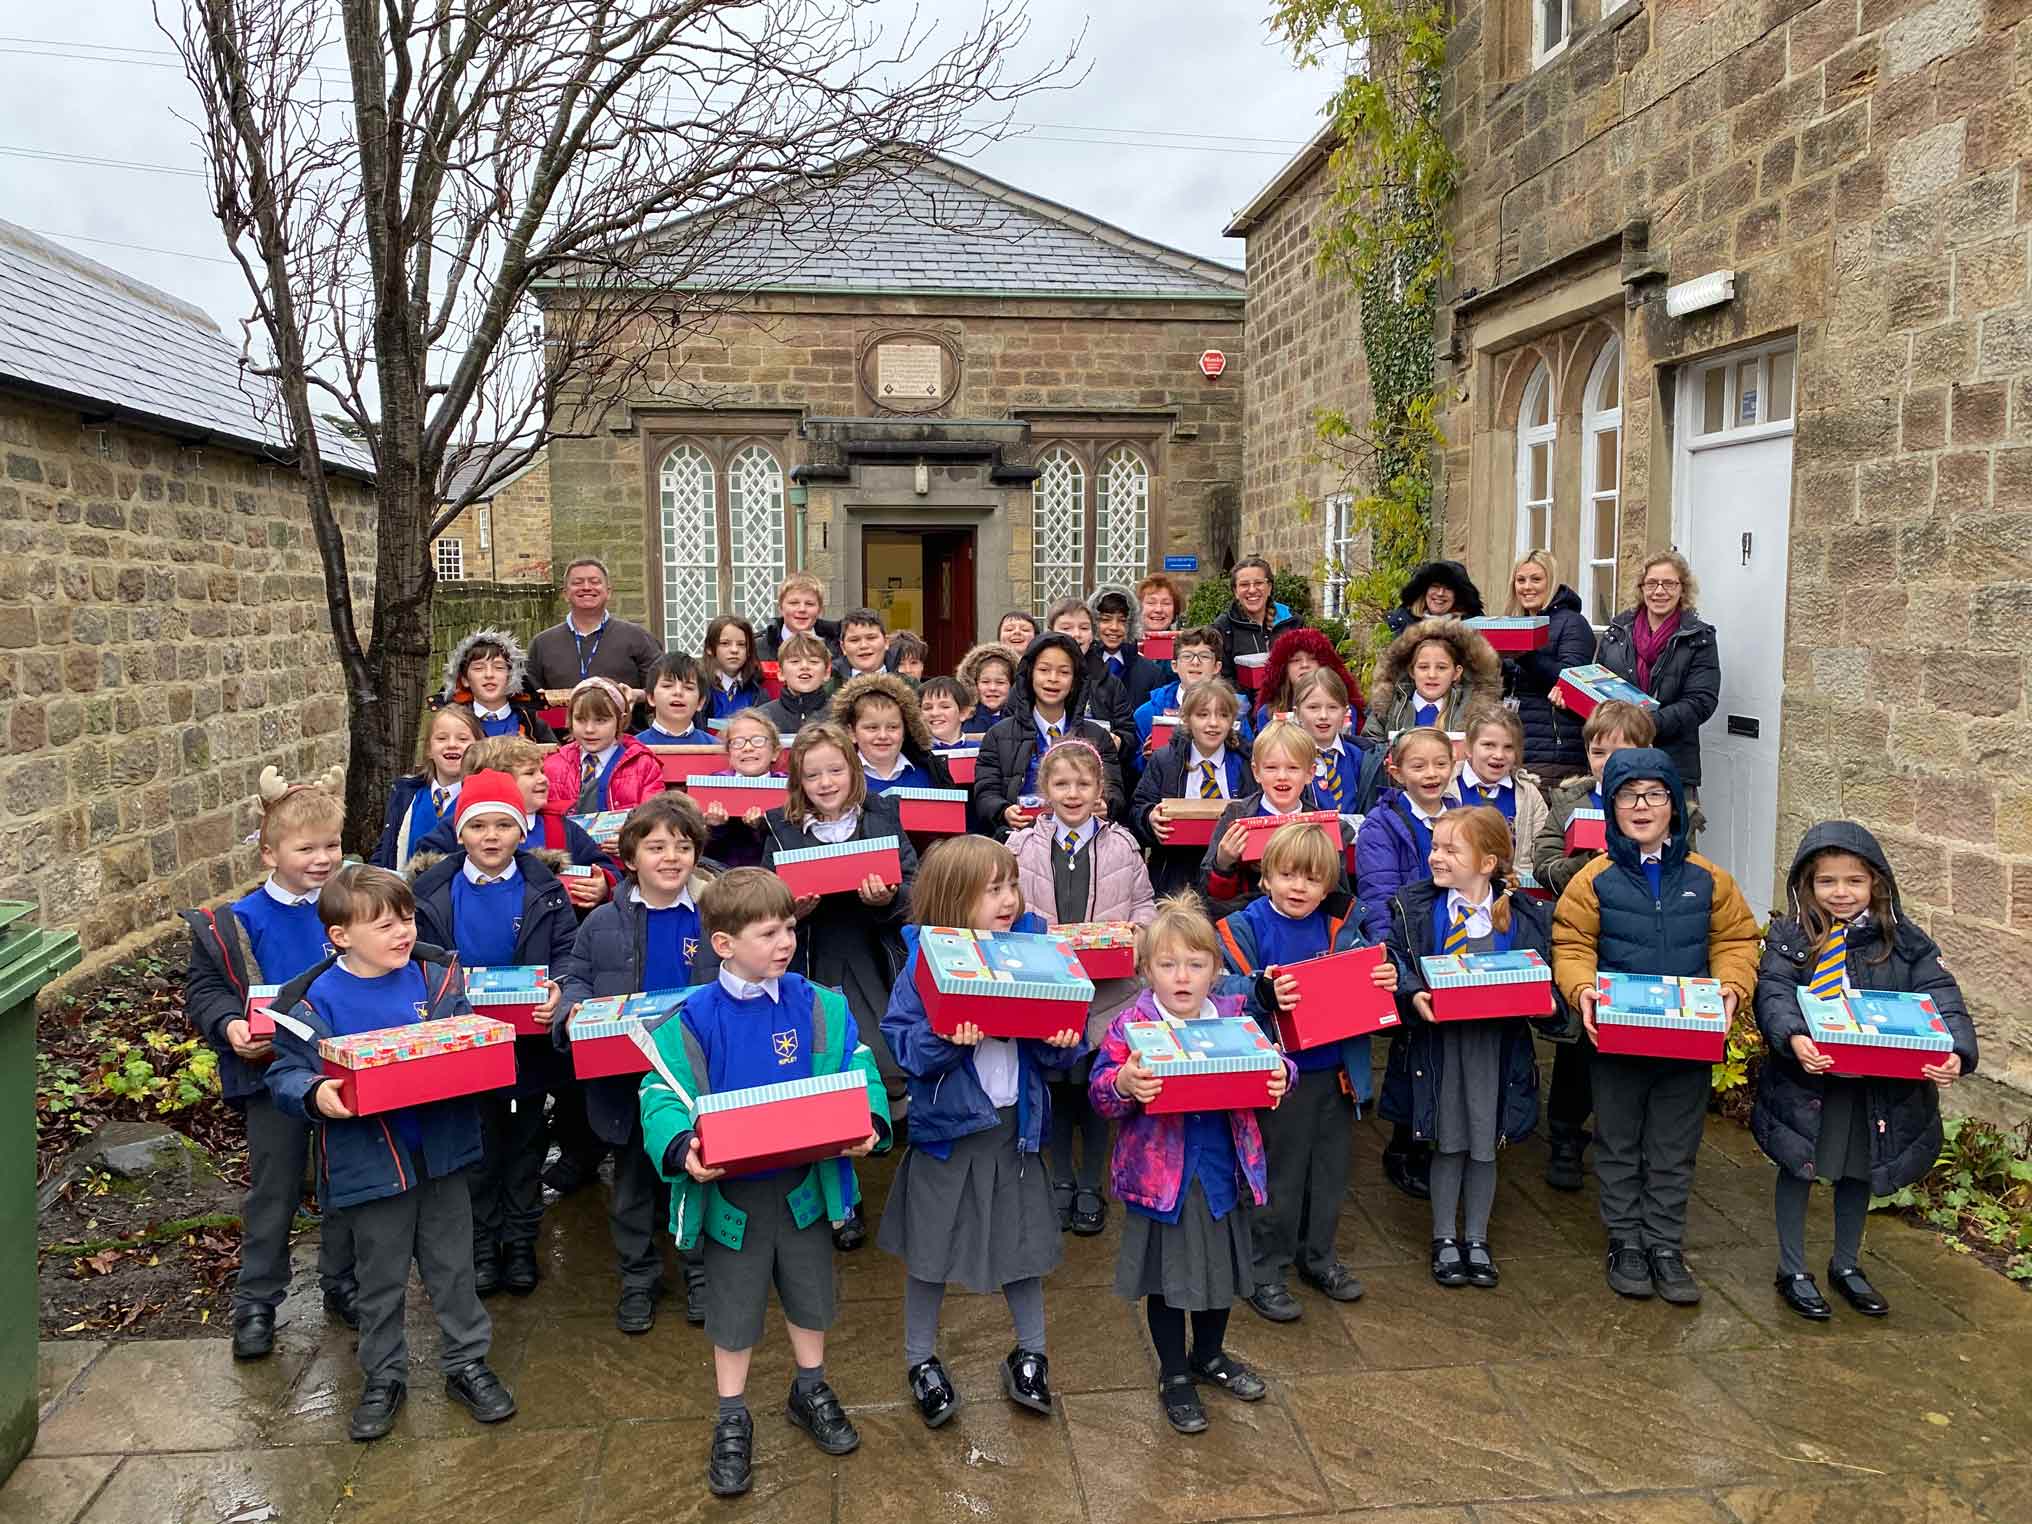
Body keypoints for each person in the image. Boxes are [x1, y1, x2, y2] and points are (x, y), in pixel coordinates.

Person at [637, 868, 889, 1498]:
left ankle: (810, 1388)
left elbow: (858, 1066)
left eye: (789, 928)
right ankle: (731, 1416)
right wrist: (679, 1146)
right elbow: (660, 1094)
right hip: (731, 1197)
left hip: (805, 1187)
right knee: (733, 1310)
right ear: (724, 945)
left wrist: (871, 1120)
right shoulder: (690, 1020)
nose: (785, 942)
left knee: (811, 1296)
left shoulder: (820, 1005)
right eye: (768, 931)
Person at [264, 865, 515, 1441]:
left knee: (454, 1268)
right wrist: (316, 1094)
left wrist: (479, 1048)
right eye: (383, 925)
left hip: (442, 1154)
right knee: (379, 1279)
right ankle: (383, 1376)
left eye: (405, 918)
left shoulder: (434, 977)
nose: (402, 932)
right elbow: (285, 1074)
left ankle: (467, 1363)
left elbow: (466, 1036)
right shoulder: (309, 1001)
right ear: (341, 936)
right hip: (369, 1164)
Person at [878, 837, 1084, 1428]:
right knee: (930, 1251)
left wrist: (1061, 1044)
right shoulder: (925, 961)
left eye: (1010, 885)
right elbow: (903, 1042)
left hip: (1014, 1132)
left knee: (1022, 1247)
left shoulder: (1034, 948)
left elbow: (1060, 1045)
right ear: (951, 899)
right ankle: (921, 1360)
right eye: (990, 890)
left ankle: (1032, 1353)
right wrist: (945, 1039)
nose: (1007, 899)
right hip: (948, 1136)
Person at [1552, 748, 1760, 1305]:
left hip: (1687, 1045)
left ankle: (1665, 1243)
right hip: (1617, 1041)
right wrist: (1582, 990)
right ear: (1611, 804)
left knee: (1673, 1148)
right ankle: (1626, 1242)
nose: (1641, 806)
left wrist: (1733, 986)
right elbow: (1572, 944)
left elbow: (1737, 940)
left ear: (1675, 803)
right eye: (1628, 795)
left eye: (1655, 794)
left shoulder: (1709, 880)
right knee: (1619, 1144)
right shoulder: (1593, 881)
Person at [1752, 824, 1977, 1321]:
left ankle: (1847, 1264)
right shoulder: (1792, 937)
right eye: (1827, 882)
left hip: (1875, 1087)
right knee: (1799, 1166)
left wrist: (1956, 1050)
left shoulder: (1904, 941)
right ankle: (1792, 1267)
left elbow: (1942, 995)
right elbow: (1772, 992)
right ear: (1808, 886)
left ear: (1876, 883)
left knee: (1858, 1170)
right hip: (1808, 1081)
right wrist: (1793, 1037)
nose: (1841, 893)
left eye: (1854, 881)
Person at [1090, 895, 1293, 1435]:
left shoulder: (1234, 1017)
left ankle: (1210, 1354)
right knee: (1166, 1281)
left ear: (1216, 971)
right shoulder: (1132, 1026)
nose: (1182, 978)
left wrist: (1282, 1077)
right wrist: (1124, 1084)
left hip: (1223, 1173)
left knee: (1220, 1275)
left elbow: (1276, 1059)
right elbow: (1101, 1094)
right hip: (1162, 1183)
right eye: (1167, 965)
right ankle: (1174, 1373)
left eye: (1196, 965)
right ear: (1145, 971)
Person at [181, 766, 358, 1362]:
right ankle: (256, 1301)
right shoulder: (237, 921)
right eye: (305, 848)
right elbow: (205, 990)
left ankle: (342, 1283)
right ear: (268, 853)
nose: (321, 858)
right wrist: (228, 1026)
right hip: (269, 1074)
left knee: (344, 1182)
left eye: (331, 845)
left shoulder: (350, 906)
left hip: (340, 1071)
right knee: (275, 1188)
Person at [1383, 808, 1566, 1289]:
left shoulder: (1523, 916)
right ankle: (1444, 1237)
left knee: (1485, 1144)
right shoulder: (1417, 908)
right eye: (1435, 846)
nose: (1436, 857)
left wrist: (1548, 1002)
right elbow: (1395, 962)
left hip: (1495, 1048)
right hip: (1439, 1046)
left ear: (1487, 863)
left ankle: (1478, 1238)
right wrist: (1411, 991)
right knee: (1447, 1139)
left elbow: (1546, 976)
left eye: (1450, 850)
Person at [408, 771, 575, 1299]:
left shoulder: (545, 890)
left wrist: (562, 991)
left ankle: (521, 1242)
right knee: (473, 1150)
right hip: (462, 1045)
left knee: (525, 1147)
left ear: (522, 831)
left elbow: (568, 953)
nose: (491, 836)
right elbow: (416, 960)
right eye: (478, 825)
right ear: (460, 833)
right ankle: (480, 1245)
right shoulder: (431, 892)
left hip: (525, 1048)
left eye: (504, 824)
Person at [554, 792, 716, 1333]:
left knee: (694, 1179)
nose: (671, 858)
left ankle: (699, 1274)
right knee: (632, 1189)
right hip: (627, 1080)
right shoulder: (602, 922)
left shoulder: (713, 916)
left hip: (693, 1078)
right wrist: (571, 1008)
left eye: (683, 846)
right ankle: (639, 1278)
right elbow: (576, 976)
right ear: (629, 858)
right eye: (656, 847)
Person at [1218, 822, 1391, 1320]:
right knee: (1279, 1177)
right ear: (1266, 875)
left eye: (1312, 879)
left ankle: (1318, 1256)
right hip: (1277, 1076)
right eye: (1288, 875)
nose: (1299, 887)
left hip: (1336, 1070)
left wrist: (1388, 974)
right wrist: (1260, 990)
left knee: (1329, 1173)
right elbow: (1220, 989)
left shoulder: (1342, 923)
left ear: (1328, 884)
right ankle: (1263, 1268)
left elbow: (1376, 974)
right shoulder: (1245, 926)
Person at [759, 721, 919, 1248]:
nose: (826, 783)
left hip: (872, 960)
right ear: (798, 783)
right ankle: (841, 1203)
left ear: (854, 769)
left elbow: (913, 893)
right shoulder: (780, 830)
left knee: (880, 1068)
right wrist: (792, 911)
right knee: (821, 1076)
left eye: (835, 770)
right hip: (812, 965)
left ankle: (904, 1184)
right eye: (812, 775)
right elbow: (764, 906)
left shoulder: (883, 816)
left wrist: (885, 900)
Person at [1009, 738, 1155, 1236]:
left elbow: (1144, 904)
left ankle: (1092, 1182)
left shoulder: (1123, 844)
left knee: (1098, 1090)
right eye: (1061, 783)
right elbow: (1006, 910)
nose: (1072, 793)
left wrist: (1137, 933)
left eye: (1083, 783)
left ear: (1100, 790)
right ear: (1045, 790)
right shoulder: (1021, 846)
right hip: (1048, 991)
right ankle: (1061, 1182)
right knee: (1055, 1090)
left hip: (1107, 993)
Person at [1531, 699, 1656, 1191]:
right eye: (1599, 751)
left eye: (1622, 750)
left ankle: (1621, 1139)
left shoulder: (1666, 808)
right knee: (1576, 1047)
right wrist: (1587, 863)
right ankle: (1564, 1136)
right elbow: (1542, 861)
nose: (1608, 761)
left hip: (1635, 946)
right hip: (1582, 939)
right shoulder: (1568, 802)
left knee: (1625, 1047)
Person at [1356, 726, 1458, 1200]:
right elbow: (1378, 897)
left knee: (1451, 1048)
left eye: (1440, 763)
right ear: (1396, 771)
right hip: (1410, 950)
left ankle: (1444, 1134)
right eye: (1418, 765)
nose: (1431, 773)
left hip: (1456, 946)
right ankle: (1405, 1144)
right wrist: (1393, 956)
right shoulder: (1383, 825)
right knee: (1413, 1051)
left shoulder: (1462, 817)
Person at [1589, 550, 1720, 809]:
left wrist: (1646, 723)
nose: (1659, 591)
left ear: (1682, 589)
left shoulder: (1698, 638)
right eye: (1652, 583)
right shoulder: (1618, 631)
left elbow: (1701, 701)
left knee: (1673, 841)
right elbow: (1597, 680)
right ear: (1642, 588)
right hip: (1617, 758)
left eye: (1669, 583)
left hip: (1672, 763)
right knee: (1616, 840)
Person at [972, 633, 1126, 835]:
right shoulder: (998, 734)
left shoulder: (1097, 736)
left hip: (1084, 839)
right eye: (1044, 670)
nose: (1053, 679)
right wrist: (1003, 810)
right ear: (1030, 674)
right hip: (1020, 839)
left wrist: (1107, 804)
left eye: (1063, 672)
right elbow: (986, 791)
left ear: (1075, 681)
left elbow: (1115, 788)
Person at [1199, 719, 1350, 919]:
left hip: (1306, 920)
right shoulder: (1237, 816)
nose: (1282, 777)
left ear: (1310, 773)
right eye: (1271, 768)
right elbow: (1212, 898)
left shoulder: (1322, 825)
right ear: (1256, 772)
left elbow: (1336, 895)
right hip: (1247, 920)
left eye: (1293, 768)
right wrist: (1224, 862)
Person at [1134, 677, 1251, 899]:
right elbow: (1139, 807)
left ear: (1233, 720)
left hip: (1232, 878)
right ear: (1186, 719)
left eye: (1223, 715)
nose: (1213, 723)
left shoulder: (1246, 761)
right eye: (1202, 715)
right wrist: (1149, 818)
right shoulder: (1164, 760)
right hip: (1175, 875)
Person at [1501, 551, 1597, 781]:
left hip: (1555, 751)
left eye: (1536, 579)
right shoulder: (1513, 622)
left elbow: (1572, 681)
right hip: (1514, 745)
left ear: (1551, 582)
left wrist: (1524, 654)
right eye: (1520, 580)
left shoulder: (1572, 623)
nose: (1527, 587)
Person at [526, 557, 662, 692]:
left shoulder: (638, 637)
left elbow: (662, 690)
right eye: (577, 583)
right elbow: (529, 697)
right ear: (565, 594)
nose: (586, 587)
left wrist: (638, 695)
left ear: (608, 592)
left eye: (594, 582)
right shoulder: (542, 644)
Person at [372, 705, 483, 869]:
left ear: (477, 748)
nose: (452, 744)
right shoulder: (406, 795)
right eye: (442, 738)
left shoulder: (482, 800)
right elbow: (385, 850)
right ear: (429, 749)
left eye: (462, 739)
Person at [1444, 707, 1550, 878]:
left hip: (1511, 891)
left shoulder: (1528, 794)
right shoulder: (1446, 786)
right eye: (1488, 745)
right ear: (1469, 748)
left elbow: (1542, 848)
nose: (1499, 755)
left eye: (1508, 747)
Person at [1361, 617, 1502, 741]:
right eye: (1423, 667)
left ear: (1456, 673)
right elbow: (1370, 745)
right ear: (1411, 671)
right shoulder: (1390, 707)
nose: (1432, 675)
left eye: (1441, 668)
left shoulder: (1470, 711)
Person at [541, 676, 664, 819]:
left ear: (621, 720)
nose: (589, 729)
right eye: (580, 719)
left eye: (601, 720)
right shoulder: (553, 766)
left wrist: (627, 835)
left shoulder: (644, 765)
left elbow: (652, 818)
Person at [1045, 596, 1137, 759]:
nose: (1076, 634)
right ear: (1051, 631)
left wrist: (1119, 742)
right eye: (1066, 628)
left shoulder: (1110, 682)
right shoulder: (1033, 677)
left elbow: (1128, 733)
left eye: (1084, 628)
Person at [831, 672, 952, 794]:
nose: (883, 736)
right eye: (872, 728)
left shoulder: (929, 774)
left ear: (906, 730)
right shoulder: (841, 780)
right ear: (851, 733)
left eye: (892, 727)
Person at [1291, 668, 1385, 821]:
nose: (1323, 716)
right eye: (1313, 707)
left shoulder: (1365, 757)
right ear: (1297, 714)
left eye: (1332, 707)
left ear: (1345, 712)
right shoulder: (1289, 761)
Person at [434, 628, 556, 741]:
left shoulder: (530, 720)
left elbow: (554, 757)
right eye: (478, 668)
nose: (489, 675)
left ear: (512, 677)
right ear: (464, 679)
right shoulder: (454, 721)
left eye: (498, 667)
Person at [700, 708, 783, 869]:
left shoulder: (786, 786)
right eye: (738, 742)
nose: (748, 748)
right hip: (722, 871)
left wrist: (764, 826)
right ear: (729, 754)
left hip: (770, 873)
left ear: (775, 752)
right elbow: (702, 847)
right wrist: (714, 827)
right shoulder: (713, 785)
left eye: (758, 740)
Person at [1134, 625, 1235, 752]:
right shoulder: (1147, 714)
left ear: (1217, 667)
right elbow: (1134, 766)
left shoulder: (1236, 710)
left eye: (1204, 656)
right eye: (1187, 656)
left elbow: (1245, 757)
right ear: (1174, 666)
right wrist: (1148, 760)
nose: (1195, 662)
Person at [1211, 556, 1302, 685]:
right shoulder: (1223, 627)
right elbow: (1220, 678)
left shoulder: (1292, 622)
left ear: (1269, 587)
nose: (1252, 590)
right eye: (1244, 585)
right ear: (1235, 591)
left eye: (1258, 583)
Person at [1255, 627, 1362, 734]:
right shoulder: (1267, 713)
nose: (1305, 665)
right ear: (1284, 669)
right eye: (1295, 660)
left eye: (1313, 659)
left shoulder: (1344, 708)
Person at [1088, 585, 1166, 710]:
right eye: (1106, 619)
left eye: (1122, 620)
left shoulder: (1151, 673)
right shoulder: (1081, 666)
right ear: (1093, 622)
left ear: (1131, 625)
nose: (1114, 627)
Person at [1384, 559, 1485, 638]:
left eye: (1448, 588)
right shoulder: (1400, 623)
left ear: (1458, 595)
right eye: (1435, 586)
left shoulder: (1476, 626)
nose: (1440, 593)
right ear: (1424, 590)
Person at [634, 651, 716, 747]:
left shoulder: (716, 748)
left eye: (688, 688)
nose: (678, 692)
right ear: (651, 697)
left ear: (700, 702)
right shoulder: (632, 749)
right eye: (667, 686)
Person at [757, 571, 841, 663]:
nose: (802, 609)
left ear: (820, 610)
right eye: (794, 603)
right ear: (781, 608)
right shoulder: (758, 649)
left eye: (809, 604)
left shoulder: (838, 647)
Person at [759, 632, 835, 732]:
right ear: (781, 673)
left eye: (813, 661)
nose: (804, 666)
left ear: (827, 673)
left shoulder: (841, 713)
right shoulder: (762, 718)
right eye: (795, 661)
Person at [702, 615, 767, 723]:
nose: (734, 650)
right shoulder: (699, 688)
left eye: (741, 644)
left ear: (749, 650)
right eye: (725, 643)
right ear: (709, 648)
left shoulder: (757, 691)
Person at [958, 643, 1020, 735]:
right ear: (974, 685)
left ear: (1012, 685)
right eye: (985, 682)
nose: (992, 688)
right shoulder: (962, 718)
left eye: (1000, 682)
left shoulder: (1022, 717)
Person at [919, 676, 973, 746]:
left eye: (945, 707)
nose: (935, 713)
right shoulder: (915, 753)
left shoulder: (982, 750)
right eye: (928, 708)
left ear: (963, 713)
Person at [836, 608, 889, 679]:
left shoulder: (906, 684)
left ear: (886, 642)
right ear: (843, 647)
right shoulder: (827, 686)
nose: (863, 645)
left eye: (871, 638)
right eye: (854, 640)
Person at [1136, 572, 1183, 639]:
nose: (1158, 609)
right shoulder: (1124, 645)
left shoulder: (1185, 646)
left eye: (1166, 603)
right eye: (1151, 603)